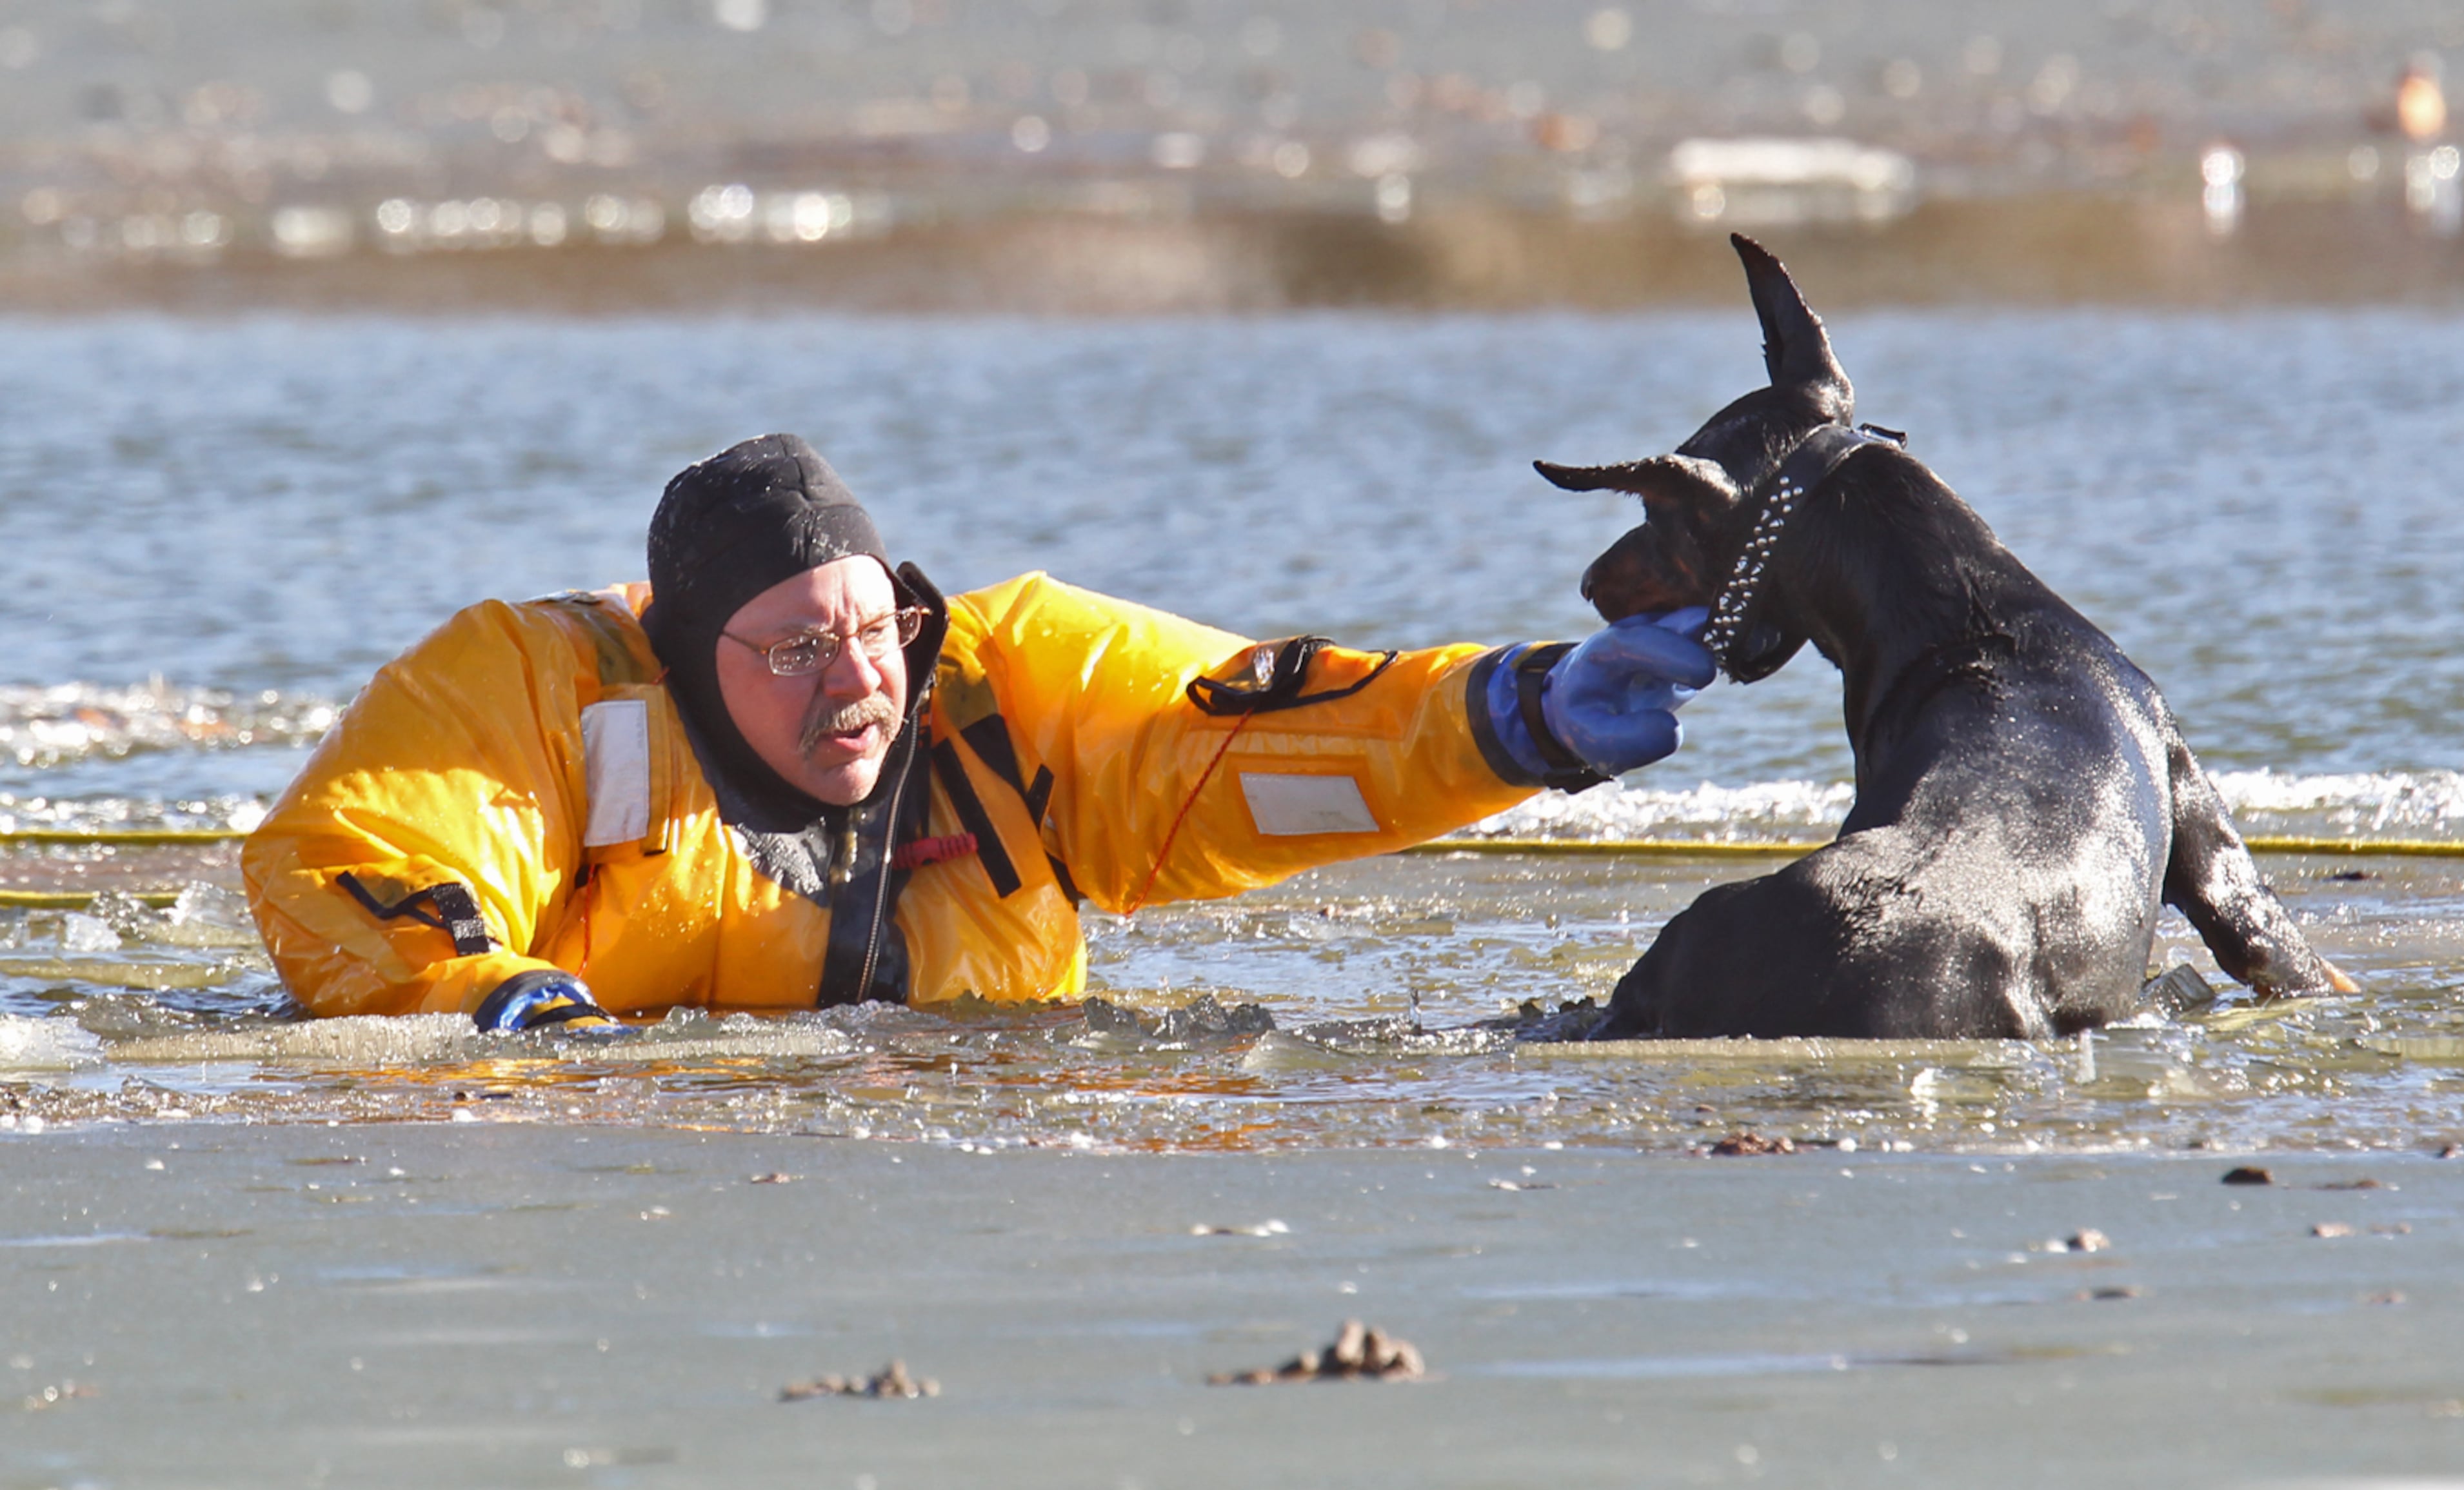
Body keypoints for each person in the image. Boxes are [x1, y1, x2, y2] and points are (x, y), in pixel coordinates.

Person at [243, 433, 1714, 1028]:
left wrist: (1517, 715)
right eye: (803, 647)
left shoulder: (1005, 689)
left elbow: (1244, 735)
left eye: (874, 626)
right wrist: (484, 999)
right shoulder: (539, 687)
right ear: (696, 654)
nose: (859, 679)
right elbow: (355, 856)